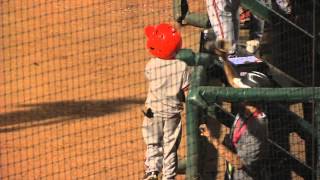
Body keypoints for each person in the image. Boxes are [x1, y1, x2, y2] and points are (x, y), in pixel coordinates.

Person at [200, 45, 274, 180]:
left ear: (254, 97)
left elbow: (238, 162)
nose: (239, 92)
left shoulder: (257, 128)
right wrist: (225, 59)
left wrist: (212, 139)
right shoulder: (248, 109)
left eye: (243, 91)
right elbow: (234, 82)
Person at [142, 23, 191, 180]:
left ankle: (152, 171)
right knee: (170, 147)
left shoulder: (151, 65)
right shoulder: (182, 66)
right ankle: (168, 176)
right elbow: (187, 91)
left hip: (152, 112)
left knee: (152, 142)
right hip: (172, 114)